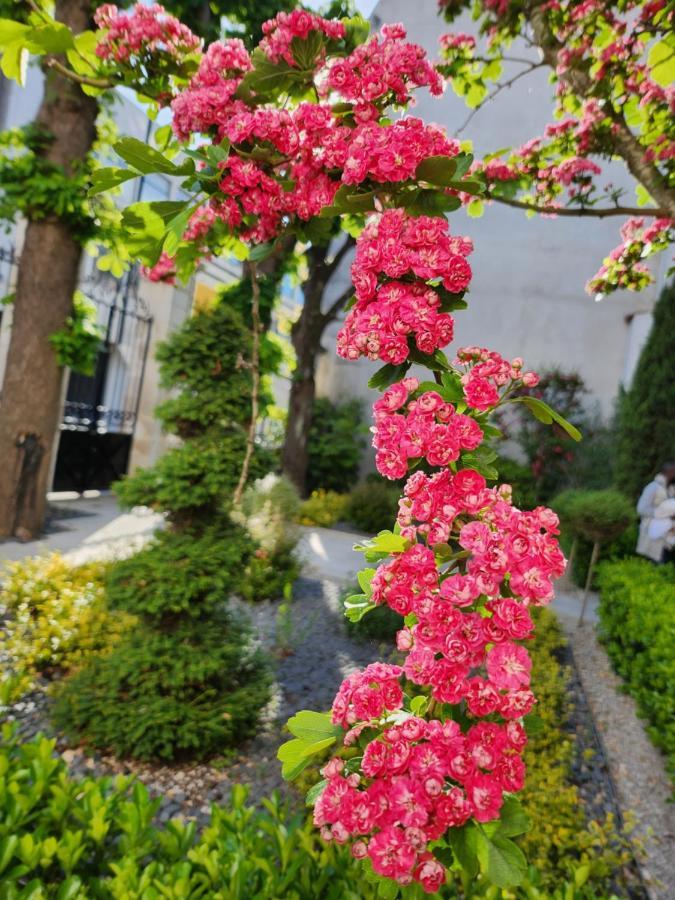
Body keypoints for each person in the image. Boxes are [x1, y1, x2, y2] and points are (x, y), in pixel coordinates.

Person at [636, 461, 675, 563]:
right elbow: (641, 509)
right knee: (656, 564)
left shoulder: (670, 489)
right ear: (669, 472)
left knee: (665, 563)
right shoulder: (652, 487)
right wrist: (664, 514)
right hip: (653, 535)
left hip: (667, 536)